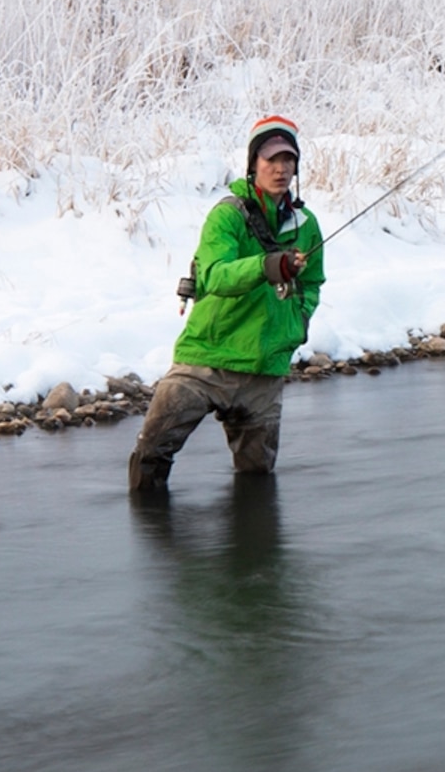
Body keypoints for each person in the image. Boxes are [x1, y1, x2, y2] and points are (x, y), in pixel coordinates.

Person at [127, 117, 326, 495]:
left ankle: (252, 548)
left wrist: (297, 322)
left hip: (265, 368)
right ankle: (147, 529)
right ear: (253, 164)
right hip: (206, 359)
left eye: (288, 160)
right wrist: (267, 266)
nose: (281, 169)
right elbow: (215, 275)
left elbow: (312, 282)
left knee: (256, 483)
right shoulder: (227, 216)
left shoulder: (307, 224)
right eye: (271, 160)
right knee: (152, 453)